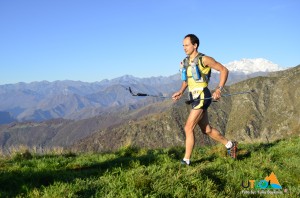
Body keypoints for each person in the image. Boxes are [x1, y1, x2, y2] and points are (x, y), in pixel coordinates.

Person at [172, 34, 237, 165]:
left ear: (195, 45)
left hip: (203, 95)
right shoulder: (185, 62)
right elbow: (187, 80)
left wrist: (219, 89)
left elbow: (224, 70)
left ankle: (186, 160)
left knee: (188, 128)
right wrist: (180, 91)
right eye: (183, 45)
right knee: (206, 130)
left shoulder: (204, 59)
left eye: (187, 45)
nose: (184, 48)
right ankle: (230, 145)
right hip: (194, 97)